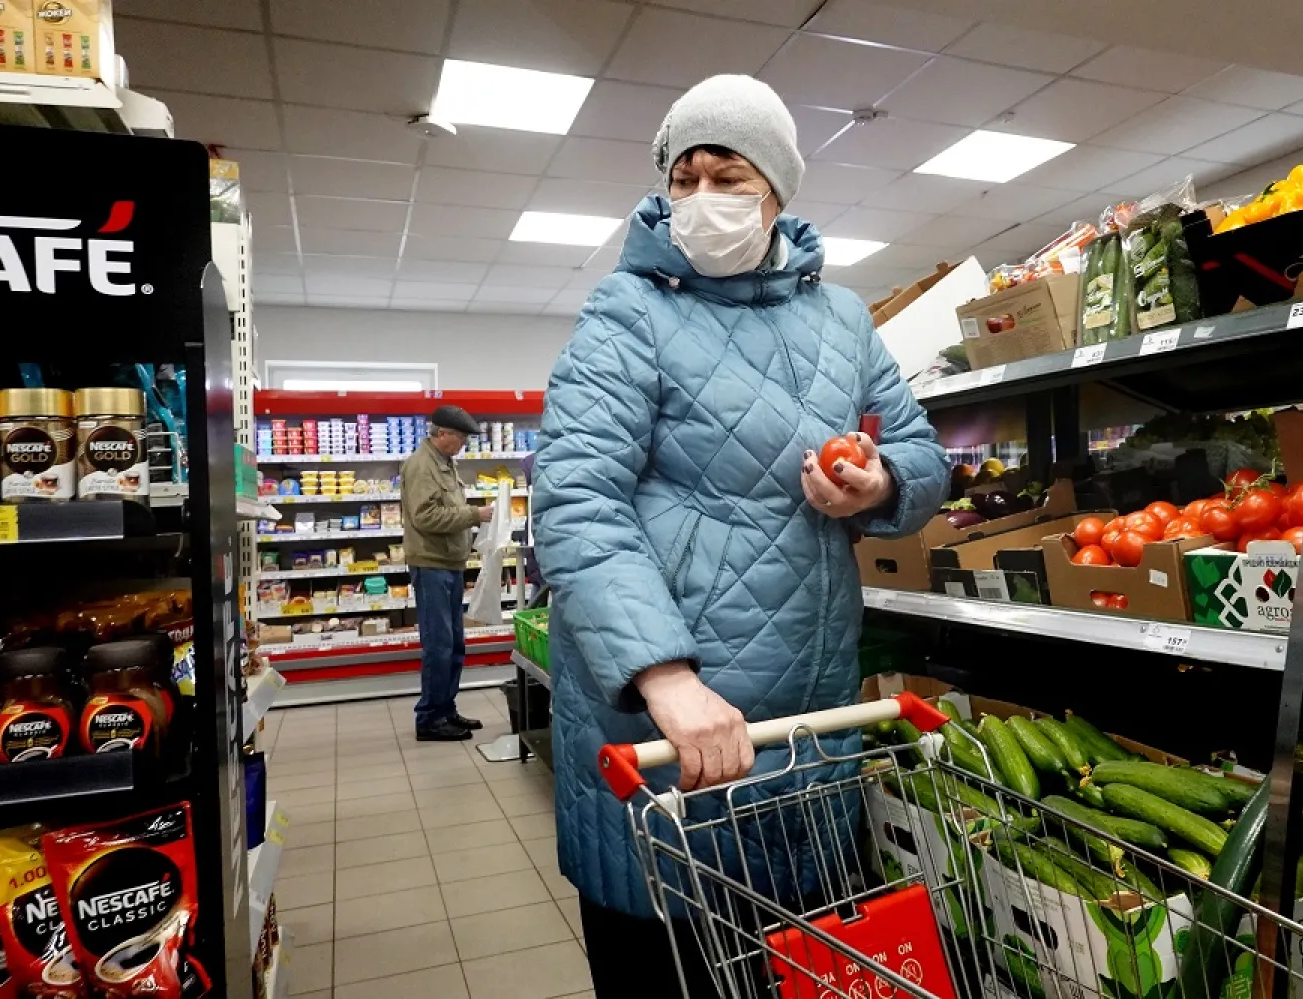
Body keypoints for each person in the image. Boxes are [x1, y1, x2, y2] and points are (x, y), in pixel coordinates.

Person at [532, 75, 949, 996]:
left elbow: (920, 451)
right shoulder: (626, 312)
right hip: (670, 729)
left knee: (787, 959)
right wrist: (664, 677)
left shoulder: (843, 319)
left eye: (727, 175)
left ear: (777, 191)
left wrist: (879, 484)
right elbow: (575, 502)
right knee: (674, 960)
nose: (701, 198)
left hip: (810, 715)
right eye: (683, 178)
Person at [401, 404, 494, 741]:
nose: (463, 444)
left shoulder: (444, 463)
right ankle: (429, 718)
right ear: (443, 434)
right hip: (431, 565)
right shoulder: (421, 466)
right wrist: (474, 515)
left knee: (454, 643)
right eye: (461, 438)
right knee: (438, 645)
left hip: (449, 563)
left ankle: (445, 709)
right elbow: (424, 517)